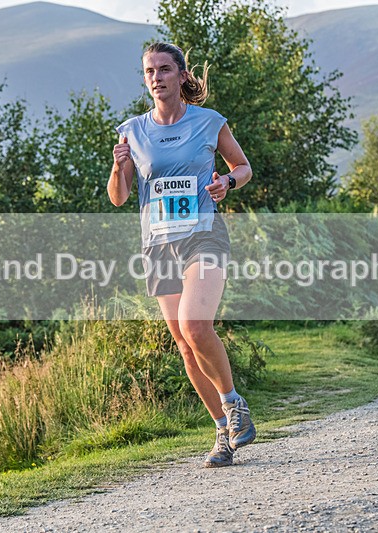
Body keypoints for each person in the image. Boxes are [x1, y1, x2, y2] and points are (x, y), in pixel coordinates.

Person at [108, 42, 255, 468]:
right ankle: (222, 435)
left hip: (203, 236)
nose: (156, 77)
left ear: (182, 76)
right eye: (149, 71)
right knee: (185, 347)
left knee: (195, 324)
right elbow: (118, 198)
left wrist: (227, 182)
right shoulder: (132, 130)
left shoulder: (209, 122)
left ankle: (233, 404)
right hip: (157, 244)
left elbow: (243, 167)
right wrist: (119, 167)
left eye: (164, 69)